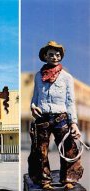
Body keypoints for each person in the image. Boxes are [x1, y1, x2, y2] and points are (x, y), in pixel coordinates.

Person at [28, 41, 84, 189]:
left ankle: (68, 179)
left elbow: (70, 101)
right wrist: (33, 107)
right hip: (43, 118)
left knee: (68, 148)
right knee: (41, 151)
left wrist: (73, 123)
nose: (55, 57)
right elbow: (35, 97)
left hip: (61, 118)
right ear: (45, 56)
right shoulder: (38, 76)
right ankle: (44, 180)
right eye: (51, 54)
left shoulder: (67, 77)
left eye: (58, 54)